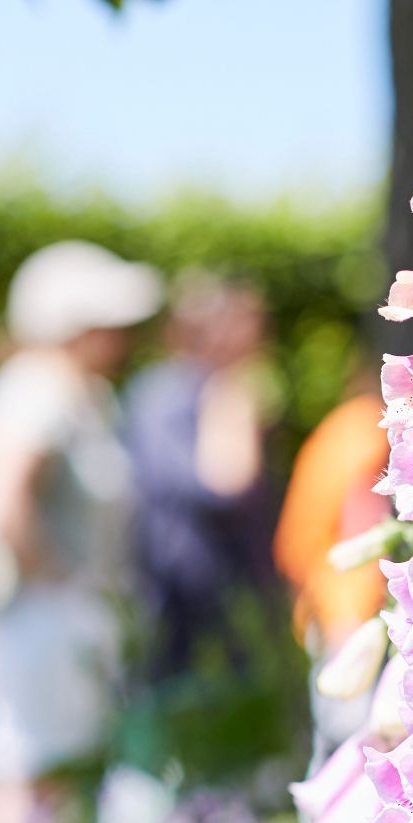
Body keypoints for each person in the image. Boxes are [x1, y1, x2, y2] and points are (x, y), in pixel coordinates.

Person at [0, 241, 163, 823]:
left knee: (50, 776)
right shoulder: (36, 388)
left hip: (49, 616)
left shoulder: (76, 392)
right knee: (20, 773)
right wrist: (58, 580)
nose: (121, 337)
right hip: (30, 618)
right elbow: (3, 498)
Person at [121, 274, 277, 680]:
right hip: (196, 591)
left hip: (196, 586)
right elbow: (224, 485)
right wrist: (236, 415)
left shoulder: (163, 388)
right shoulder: (191, 392)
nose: (262, 336)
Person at [274, 365, 393, 759]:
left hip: (322, 590)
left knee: (332, 737)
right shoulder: (367, 431)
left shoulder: (338, 429)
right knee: (352, 739)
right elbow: (362, 519)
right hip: (348, 603)